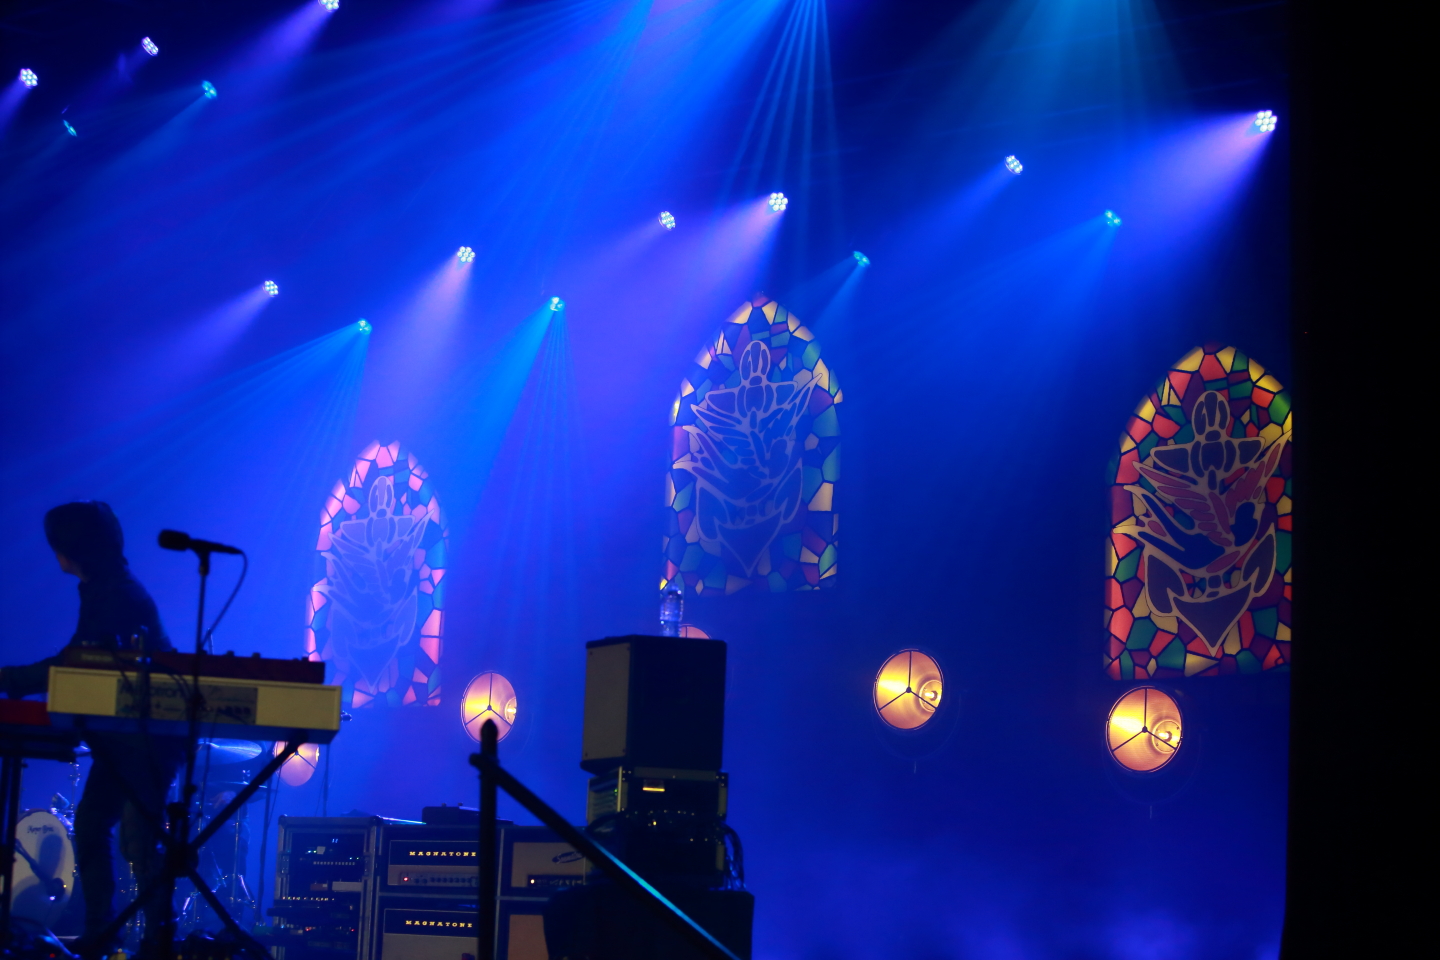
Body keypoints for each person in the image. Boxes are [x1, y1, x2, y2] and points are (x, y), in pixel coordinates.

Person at [0, 502, 184, 955]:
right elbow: (80, 662)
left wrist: (9, 680)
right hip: (126, 734)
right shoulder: (105, 587)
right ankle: (105, 933)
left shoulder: (115, 593)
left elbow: (73, 663)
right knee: (93, 825)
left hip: (150, 734)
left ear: (70, 550)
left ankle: (156, 940)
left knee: (138, 840)